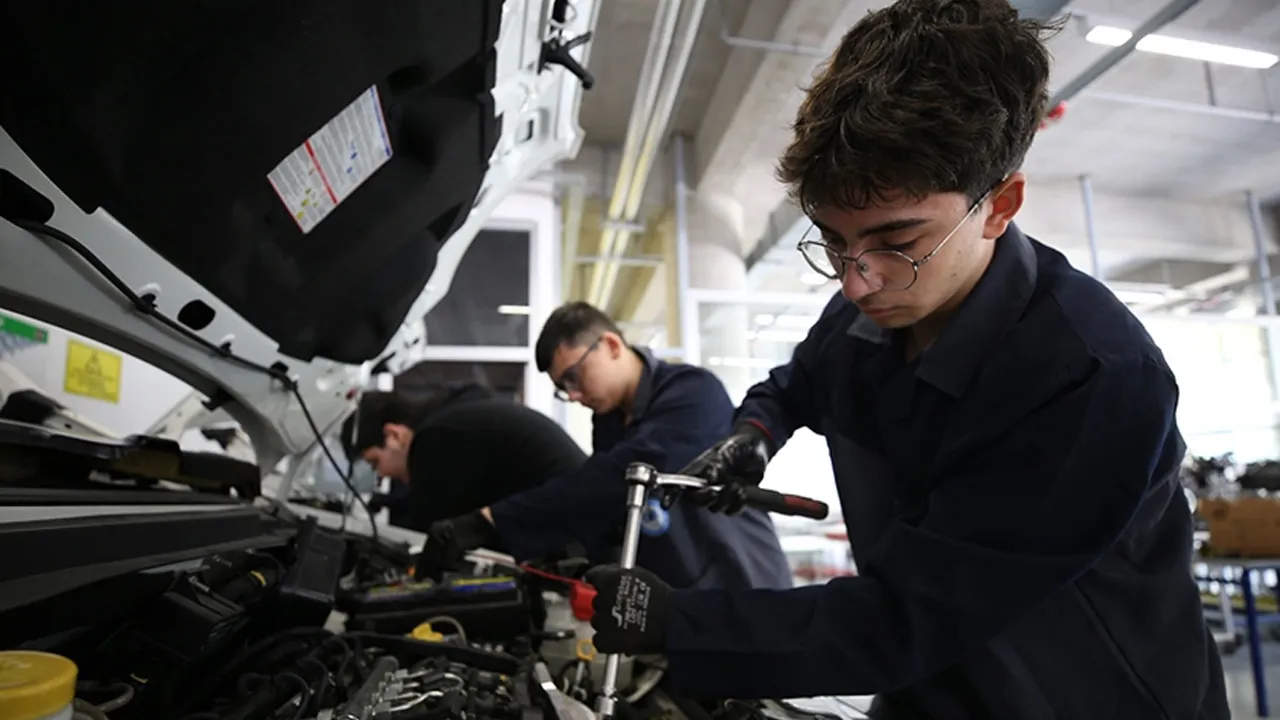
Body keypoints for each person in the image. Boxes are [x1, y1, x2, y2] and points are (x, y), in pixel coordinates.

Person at [582, 1, 1228, 718]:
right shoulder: (862, 319)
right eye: (833, 240)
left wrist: (681, 624)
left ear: (999, 205)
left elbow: (910, 615)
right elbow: (793, 386)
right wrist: (753, 437)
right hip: (928, 689)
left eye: (898, 241)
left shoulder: (1092, 380)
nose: (857, 280)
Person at [415, 301, 794, 591]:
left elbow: (617, 480)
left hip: (740, 582)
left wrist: (491, 520)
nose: (575, 394)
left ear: (611, 344)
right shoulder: (610, 423)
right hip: (677, 594)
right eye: (564, 389)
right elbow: (607, 513)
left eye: (574, 377)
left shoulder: (693, 391)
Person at [342, 384, 588, 532]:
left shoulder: (432, 441)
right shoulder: (453, 420)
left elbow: (434, 529)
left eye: (375, 462)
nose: (381, 474)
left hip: (572, 529)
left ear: (393, 435)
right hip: (581, 513)